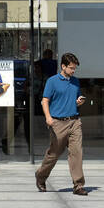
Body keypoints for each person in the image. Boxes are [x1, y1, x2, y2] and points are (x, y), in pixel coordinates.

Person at [36, 52, 86, 195]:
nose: (73, 71)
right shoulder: (52, 81)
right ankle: (41, 176)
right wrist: (48, 117)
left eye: (74, 68)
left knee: (77, 153)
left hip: (74, 121)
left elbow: (77, 99)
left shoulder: (75, 81)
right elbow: (45, 100)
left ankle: (78, 185)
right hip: (57, 123)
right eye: (71, 68)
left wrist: (79, 102)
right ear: (63, 66)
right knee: (54, 154)